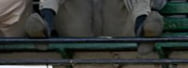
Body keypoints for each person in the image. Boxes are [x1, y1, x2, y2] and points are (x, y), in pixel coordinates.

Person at [24, 0, 164, 38]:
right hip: (77, 23)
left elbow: (158, 3)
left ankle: (143, 27)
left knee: (146, 23)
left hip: (121, 24)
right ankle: (45, 26)